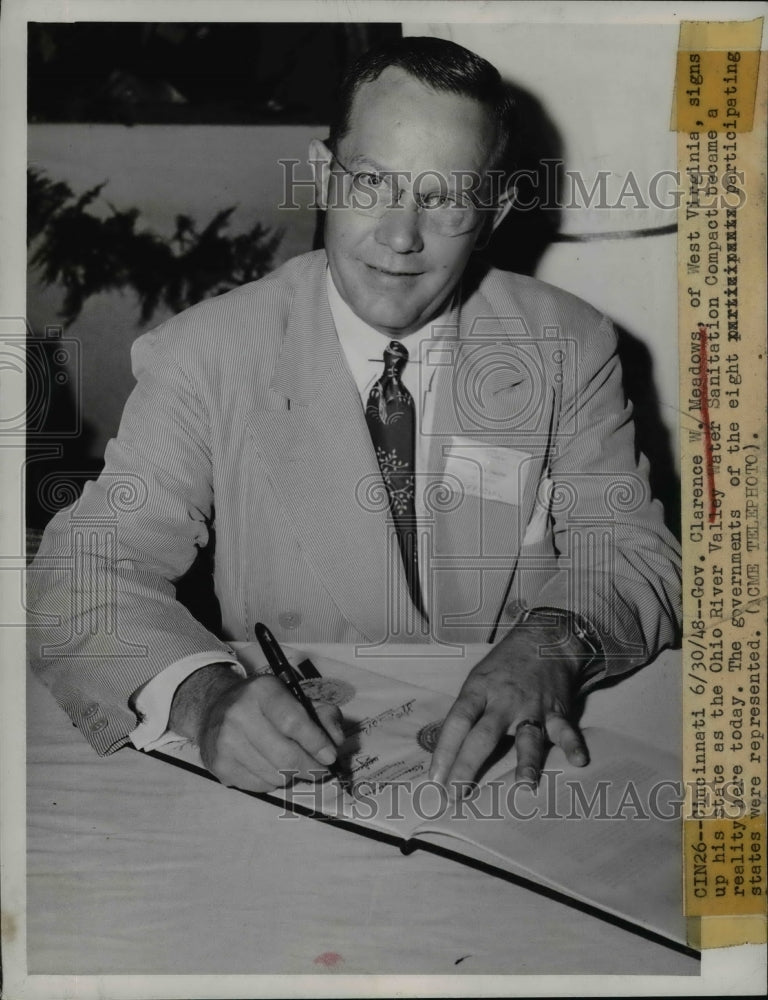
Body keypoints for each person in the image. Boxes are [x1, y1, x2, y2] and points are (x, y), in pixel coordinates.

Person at [28, 36, 681, 797]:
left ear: (495, 211)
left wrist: (554, 642)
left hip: (524, 771)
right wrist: (205, 699)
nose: (400, 239)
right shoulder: (208, 353)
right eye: (373, 183)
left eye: (443, 198)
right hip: (297, 778)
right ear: (320, 176)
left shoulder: (566, 341)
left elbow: (636, 555)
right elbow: (82, 573)